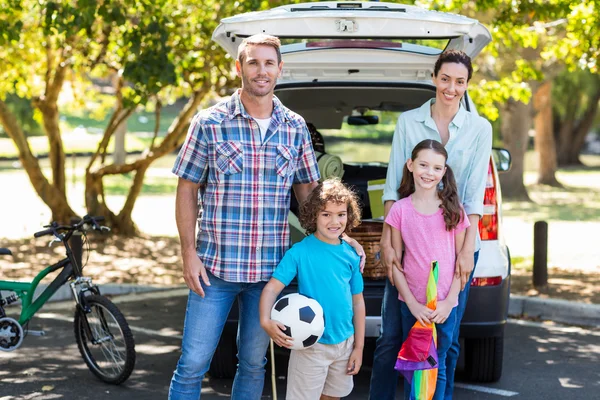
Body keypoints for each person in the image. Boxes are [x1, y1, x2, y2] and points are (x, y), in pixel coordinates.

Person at [169, 34, 363, 400]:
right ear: (239, 67)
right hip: (214, 269)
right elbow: (187, 189)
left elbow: (309, 192)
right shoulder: (209, 122)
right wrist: (188, 252)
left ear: (280, 69)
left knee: (254, 363)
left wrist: (337, 235)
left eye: (269, 63)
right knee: (193, 362)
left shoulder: (295, 127)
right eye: (253, 63)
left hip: (268, 273)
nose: (261, 70)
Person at [369, 49, 492, 400]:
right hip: (410, 246)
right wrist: (389, 243)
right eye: (445, 79)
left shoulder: (480, 128)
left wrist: (468, 250)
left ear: (467, 85)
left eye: (460, 82)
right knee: (392, 336)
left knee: (446, 341)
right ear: (434, 78)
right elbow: (393, 185)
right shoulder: (409, 122)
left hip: (457, 246)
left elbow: (473, 196)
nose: (451, 88)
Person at [259, 178, 366, 400]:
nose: (334, 221)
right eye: (326, 214)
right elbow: (271, 289)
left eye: (341, 214)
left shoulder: (351, 255)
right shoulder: (299, 252)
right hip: (311, 347)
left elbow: (358, 301)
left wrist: (359, 347)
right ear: (313, 215)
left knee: (332, 397)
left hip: (345, 344)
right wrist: (265, 320)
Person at [386, 139, 470, 399]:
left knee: (439, 364)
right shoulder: (399, 210)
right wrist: (411, 303)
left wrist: (449, 302)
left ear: (444, 172)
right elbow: (395, 264)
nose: (428, 173)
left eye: (436, 168)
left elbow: (461, 264)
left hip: (444, 305)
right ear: (410, 165)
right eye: (423, 165)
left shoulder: (453, 210)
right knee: (416, 365)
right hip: (413, 306)